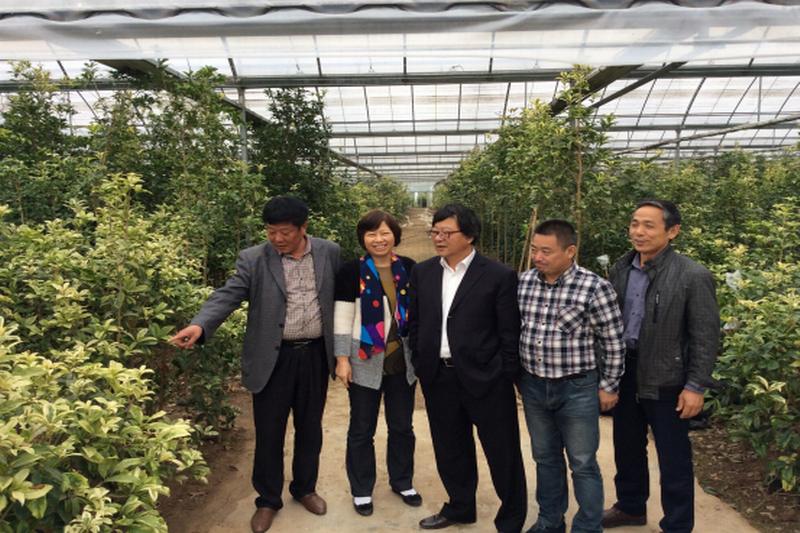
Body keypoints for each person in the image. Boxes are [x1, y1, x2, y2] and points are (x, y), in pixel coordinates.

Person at [169, 195, 343, 533]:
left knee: (310, 427)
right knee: (269, 432)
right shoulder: (254, 259)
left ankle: (305, 488)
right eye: (270, 231)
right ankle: (267, 500)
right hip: (272, 358)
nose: (277, 238)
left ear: (303, 228)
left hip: (315, 355)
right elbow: (228, 294)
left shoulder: (329, 252)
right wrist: (200, 324)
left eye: (285, 232)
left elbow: (341, 296)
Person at [602, 199, 719, 533]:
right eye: (634, 223)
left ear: (673, 231)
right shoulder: (621, 268)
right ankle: (630, 507)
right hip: (626, 372)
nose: (638, 231)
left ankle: (677, 524)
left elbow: (705, 335)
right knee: (627, 447)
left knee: (673, 456)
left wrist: (695, 386)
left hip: (669, 377)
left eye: (648, 225)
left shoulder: (692, 275)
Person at [409, 203, 527, 533]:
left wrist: (504, 372)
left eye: (447, 232)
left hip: (487, 379)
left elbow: (509, 331)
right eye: (435, 232)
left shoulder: (498, 275)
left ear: (470, 235)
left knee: (502, 451)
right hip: (438, 376)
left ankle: (511, 519)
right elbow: (416, 322)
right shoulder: (423, 272)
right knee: (451, 449)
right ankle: (460, 507)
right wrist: (420, 360)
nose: (439, 238)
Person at [517, 219, 625, 533]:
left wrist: (609, 386)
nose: (538, 257)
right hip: (534, 386)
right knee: (545, 458)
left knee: (582, 462)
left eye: (546, 251)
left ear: (570, 251)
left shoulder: (594, 287)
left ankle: (588, 526)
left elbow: (613, 340)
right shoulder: (523, 283)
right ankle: (550, 521)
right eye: (534, 250)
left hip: (577, 388)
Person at [333, 210, 421, 516]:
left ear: (395, 235)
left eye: (384, 232)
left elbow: (418, 313)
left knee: (402, 427)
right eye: (371, 233)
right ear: (363, 239)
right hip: (364, 360)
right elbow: (342, 317)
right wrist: (342, 360)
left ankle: (402, 481)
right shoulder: (351, 271)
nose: (378, 239)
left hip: (401, 362)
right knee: (361, 428)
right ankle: (361, 489)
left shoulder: (409, 267)